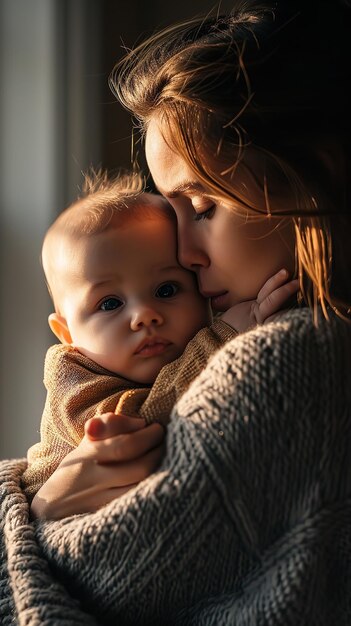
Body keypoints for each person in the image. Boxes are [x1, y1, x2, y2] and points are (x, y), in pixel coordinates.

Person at [0, 1, 350, 624]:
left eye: (203, 205)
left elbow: (108, 574)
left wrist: (38, 514)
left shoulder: (292, 359)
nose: (185, 255)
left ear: (314, 174)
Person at [21, 169, 292, 502]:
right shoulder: (73, 381)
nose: (143, 315)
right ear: (66, 334)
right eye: (110, 303)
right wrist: (220, 339)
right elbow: (138, 425)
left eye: (166, 289)